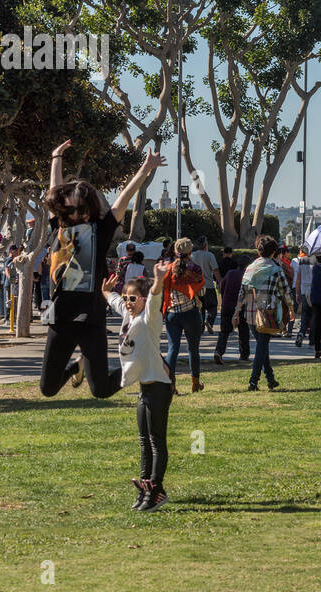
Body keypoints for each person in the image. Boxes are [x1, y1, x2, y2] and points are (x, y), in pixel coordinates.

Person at [39, 139, 162, 398]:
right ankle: (76, 367)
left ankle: (140, 366)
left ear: (84, 205)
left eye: (71, 199)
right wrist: (56, 158)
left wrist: (146, 169)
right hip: (60, 316)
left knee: (102, 390)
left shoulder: (101, 229)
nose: (65, 200)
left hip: (90, 317)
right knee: (48, 388)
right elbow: (54, 189)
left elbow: (123, 198)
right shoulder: (57, 227)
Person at [101, 266, 173, 511]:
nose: (128, 302)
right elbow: (115, 303)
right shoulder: (129, 317)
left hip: (159, 388)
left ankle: (157, 489)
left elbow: (155, 298)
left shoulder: (149, 319)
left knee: (156, 441)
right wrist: (108, 293)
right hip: (144, 388)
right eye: (127, 298)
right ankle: (145, 486)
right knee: (144, 441)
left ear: (143, 299)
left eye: (133, 298)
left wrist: (159, 280)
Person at [158, 238, 206, 394]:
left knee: (173, 349)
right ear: (190, 252)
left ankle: (170, 384)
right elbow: (201, 291)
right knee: (193, 349)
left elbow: (162, 290)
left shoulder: (169, 269)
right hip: (191, 313)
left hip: (172, 314)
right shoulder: (195, 269)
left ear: (174, 251)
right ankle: (195, 382)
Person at [238, 236, 285, 390]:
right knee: (261, 347)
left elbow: (242, 291)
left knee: (262, 346)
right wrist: (290, 309)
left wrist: (236, 311)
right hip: (267, 312)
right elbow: (285, 291)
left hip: (250, 311)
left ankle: (270, 379)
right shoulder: (276, 269)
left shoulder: (250, 268)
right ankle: (253, 381)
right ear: (273, 253)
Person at [214, 257, 250, 365]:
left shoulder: (230, 273)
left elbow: (222, 286)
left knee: (224, 331)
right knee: (243, 331)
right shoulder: (246, 276)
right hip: (241, 306)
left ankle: (219, 351)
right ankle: (244, 355)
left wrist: (224, 295)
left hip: (226, 304)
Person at [190, 237, 221, 335]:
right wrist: (220, 282)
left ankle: (201, 327)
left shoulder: (192, 256)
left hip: (196, 286)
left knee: (200, 308)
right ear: (205, 245)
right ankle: (210, 321)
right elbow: (215, 270)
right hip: (208, 285)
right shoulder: (210, 255)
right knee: (212, 306)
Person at [291, 247, 315, 346]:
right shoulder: (315, 260)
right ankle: (312, 338)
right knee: (314, 315)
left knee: (305, 314)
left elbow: (298, 279)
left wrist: (297, 293)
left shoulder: (301, 261)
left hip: (304, 291)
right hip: (314, 291)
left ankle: (301, 332)